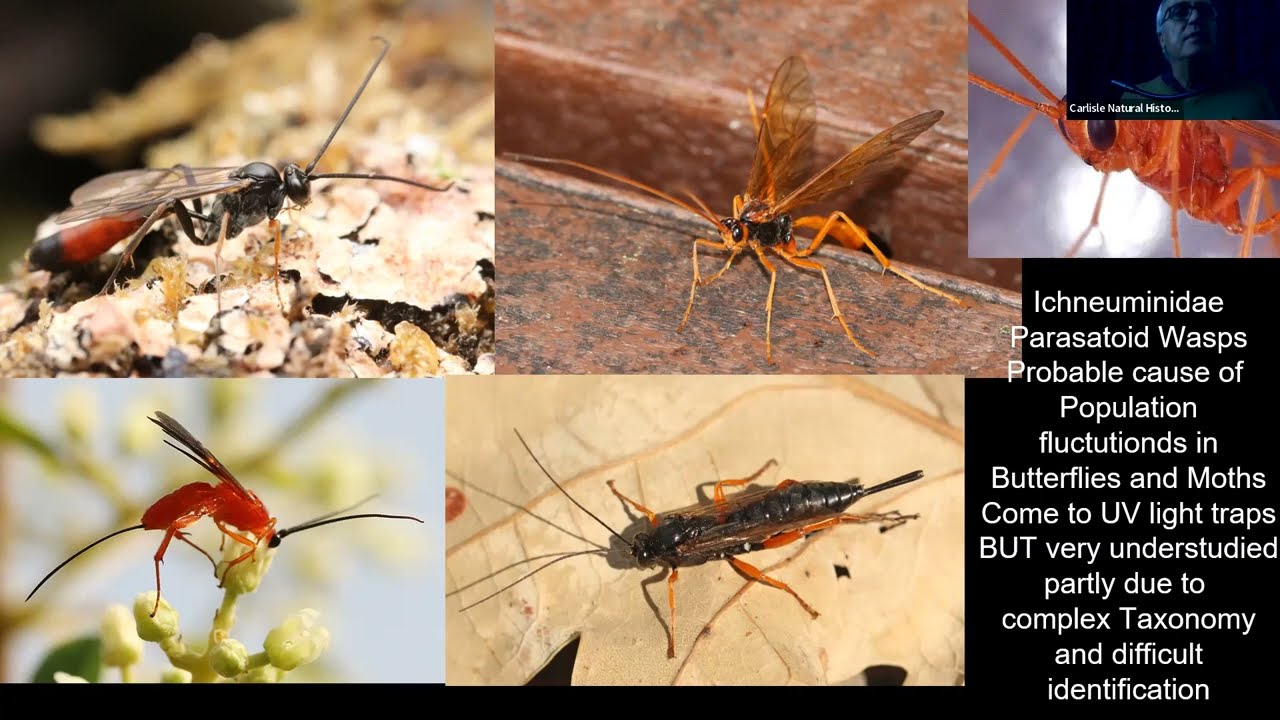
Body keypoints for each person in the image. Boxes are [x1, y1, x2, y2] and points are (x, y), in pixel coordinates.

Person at [1118, 0, 1277, 120]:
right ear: (1162, 39)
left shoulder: (1253, 99)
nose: (1195, 17)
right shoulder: (1136, 101)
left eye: (1204, 11)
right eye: (1180, 12)